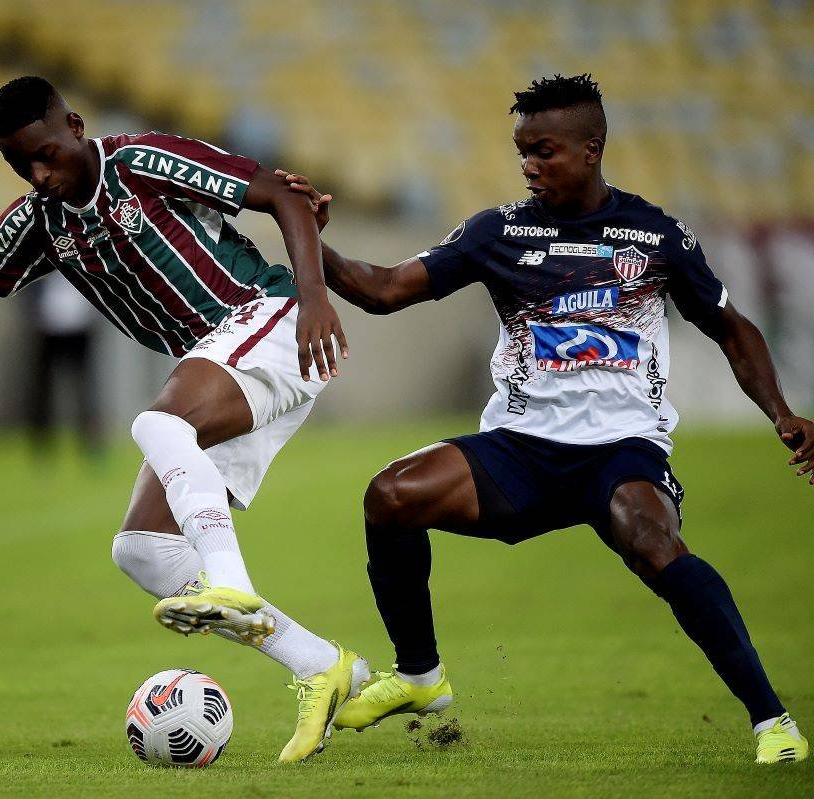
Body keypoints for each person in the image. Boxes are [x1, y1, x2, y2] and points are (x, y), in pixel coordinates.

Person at [0, 76, 368, 762]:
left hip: (268, 319)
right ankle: (326, 668)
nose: (39, 174)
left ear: (74, 124)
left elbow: (282, 194)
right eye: (19, 165)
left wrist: (314, 298)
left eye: (45, 154)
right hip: (223, 365)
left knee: (157, 424)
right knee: (144, 549)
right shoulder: (38, 220)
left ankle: (232, 586)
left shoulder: (140, 162)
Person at [281, 74, 811, 765]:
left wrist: (781, 413)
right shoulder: (499, 230)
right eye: (522, 151)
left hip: (621, 450)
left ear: (592, 149)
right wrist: (314, 241)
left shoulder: (653, 235)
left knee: (658, 546)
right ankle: (420, 677)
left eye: (545, 151)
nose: (529, 166)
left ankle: (772, 721)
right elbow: (382, 290)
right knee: (390, 496)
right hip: (521, 449)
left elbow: (731, 327)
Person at [25, 272, 103, 458]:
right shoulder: (42, 268)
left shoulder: (83, 264)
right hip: (48, 331)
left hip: (80, 331)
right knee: (43, 390)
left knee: (85, 389)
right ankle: (42, 443)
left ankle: (90, 442)